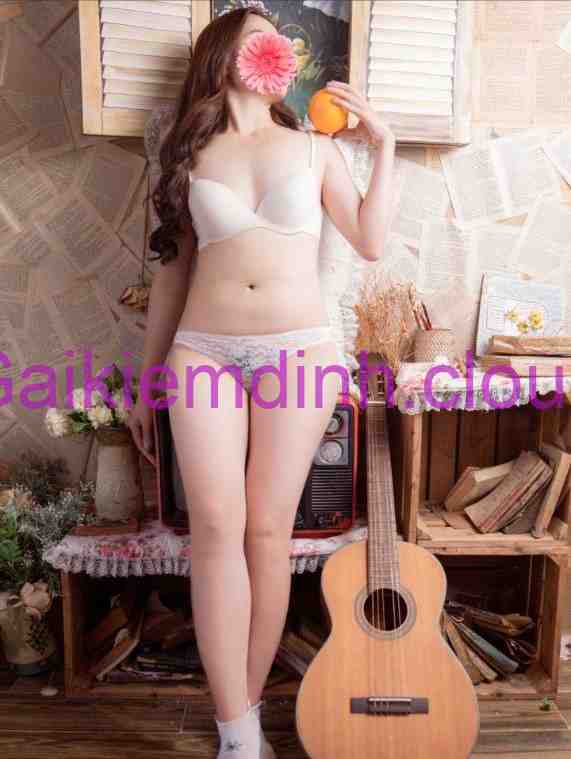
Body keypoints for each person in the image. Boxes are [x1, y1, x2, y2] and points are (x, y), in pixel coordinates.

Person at [128, 7, 395, 758]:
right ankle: (237, 732)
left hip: (299, 354)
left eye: (275, 38)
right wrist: (146, 383)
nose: (270, 45)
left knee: (267, 531)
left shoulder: (314, 148)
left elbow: (370, 241)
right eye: (253, 35)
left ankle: (241, 720)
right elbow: (172, 276)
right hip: (203, 354)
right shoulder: (187, 155)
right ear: (221, 55)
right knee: (214, 530)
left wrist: (385, 147)